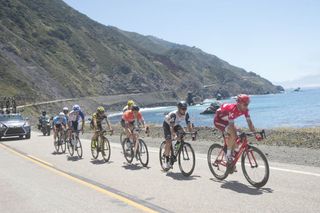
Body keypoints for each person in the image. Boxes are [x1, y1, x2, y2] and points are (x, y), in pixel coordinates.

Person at [214, 94, 262, 169]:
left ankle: (234, 150)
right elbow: (231, 126)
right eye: (245, 104)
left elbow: (249, 123)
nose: (247, 106)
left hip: (227, 120)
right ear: (239, 103)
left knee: (239, 133)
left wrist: (255, 134)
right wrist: (235, 135)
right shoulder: (232, 109)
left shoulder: (245, 110)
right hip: (219, 120)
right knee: (234, 135)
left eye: (248, 104)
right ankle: (228, 155)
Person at [162, 101, 193, 169]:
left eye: (185, 108)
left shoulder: (186, 114)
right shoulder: (174, 114)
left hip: (175, 125)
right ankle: (166, 160)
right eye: (183, 109)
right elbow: (171, 127)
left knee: (182, 134)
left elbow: (188, 124)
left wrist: (192, 134)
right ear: (179, 109)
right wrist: (173, 134)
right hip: (167, 125)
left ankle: (175, 150)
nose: (184, 110)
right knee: (169, 141)